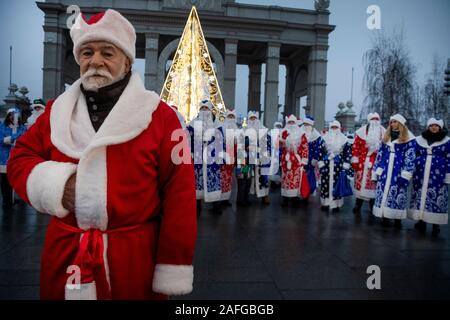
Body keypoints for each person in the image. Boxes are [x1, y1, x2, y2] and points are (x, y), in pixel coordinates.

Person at [7, 9, 197, 300]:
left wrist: (172, 264)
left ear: (127, 60)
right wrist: (57, 185)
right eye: (86, 52)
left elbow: (179, 195)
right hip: (66, 252)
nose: (95, 61)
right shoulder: (55, 112)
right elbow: (19, 159)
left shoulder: (161, 117)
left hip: (134, 258)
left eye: (107, 52)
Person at [372, 114, 415, 229]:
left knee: (397, 194)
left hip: (398, 171)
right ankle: (384, 216)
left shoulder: (409, 139)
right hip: (385, 170)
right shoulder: (386, 137)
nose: (392, 124)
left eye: (395, 122)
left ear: (400, 124)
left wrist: (406, 174)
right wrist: (376, 171)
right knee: (383, 193)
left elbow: (410, 158)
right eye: (391, 122)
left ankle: (397, 219)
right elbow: (379, 155)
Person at [408, 118, 449, 236]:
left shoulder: (447, 141)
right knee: (420, 195)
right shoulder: (419, 140)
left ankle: (435, 224)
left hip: (438, 174)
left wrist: (448, 174)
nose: (434, 128)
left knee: (436, 196)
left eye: (436, 126)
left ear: (440, 128)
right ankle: (421, 221)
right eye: (431, 126)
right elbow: (413, 154)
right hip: (420, 173)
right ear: (428, 127)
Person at [187, 99, 223, 213]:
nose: (204, 111)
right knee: (197, 181)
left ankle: (216, 205)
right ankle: (197, 206)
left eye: (206, 108)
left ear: (210, 109)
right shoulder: (193, 122)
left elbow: (221, 139)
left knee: (213, 180)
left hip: (212, 157)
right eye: (202, 108)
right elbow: (188, 137)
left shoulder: (216, 123)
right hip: (198, 156)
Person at [351, 113, 386, 215]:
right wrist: (355, 160)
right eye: (373, 119)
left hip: (375, 163)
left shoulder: (383, 132)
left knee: (373, 186)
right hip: (362, 163)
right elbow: (355, 146)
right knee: (360, 184)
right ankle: (358, 204)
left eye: (377, 119)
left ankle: (373, 206)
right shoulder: (361, 132)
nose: (375, 121)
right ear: (369, 120)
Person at [317, 120, 352, 212]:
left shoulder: (344, 139)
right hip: (326, 164)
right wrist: (321, 162)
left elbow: (347, 153)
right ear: (330, 128)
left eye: (336, 127)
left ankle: (336, 204)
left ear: (339, 128)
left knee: (337, 184)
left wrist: (346, 164)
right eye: (332, 127)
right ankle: (325, 203)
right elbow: (320, 151)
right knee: (325, 184)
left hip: (338, 165)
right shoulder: (324, 139)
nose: (334, 129)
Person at [240, 111, 271, 205]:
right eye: (251, 118)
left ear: (258, 120)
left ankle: (265, 196)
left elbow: (268, 144)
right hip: (247, 160)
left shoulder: (264, 130)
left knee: (263, 177)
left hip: (261, 159)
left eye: (254, 118)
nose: (253, 120)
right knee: (246, 177)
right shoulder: (244, 131)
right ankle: (245, 197)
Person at [279, 115, 309, 206]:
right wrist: (282, 141)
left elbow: (305, 147)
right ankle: (285, 198)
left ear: (296, 123)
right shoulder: (283, 132)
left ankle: (295, 198)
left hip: (296, 159)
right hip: (286, 159)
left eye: (293, 122)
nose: (291, 124)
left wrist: (304, 159)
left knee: (295, 179)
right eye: (289, 122)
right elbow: (279, 147)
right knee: (285, 179)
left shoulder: (301, 134)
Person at [0, 108, 26, 209]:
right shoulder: (2, 127)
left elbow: (24, 139)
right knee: (5, 181)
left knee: (16, 178)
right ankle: (7, 201)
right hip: (4, 157)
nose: (13, 117)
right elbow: (1, 140)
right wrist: (12, 138)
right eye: (11, 115)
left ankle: (14, 198)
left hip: (17, 156)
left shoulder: (22, 128)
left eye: (15, 115)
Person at [219, 109, 238, 206]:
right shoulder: (222, 128)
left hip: (232, 156)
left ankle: (226, 198)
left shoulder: (236, 129)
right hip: (223, 156)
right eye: (229, 117)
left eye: (232, 117)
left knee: (229, 178)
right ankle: (220, 198)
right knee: (222, 177)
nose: (231, 119)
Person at [302, 116, 323, 198]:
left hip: (311, 159)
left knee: (310, 176)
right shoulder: (300, 133)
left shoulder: (316, 136)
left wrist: (315, 158)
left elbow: (318, 148)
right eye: (304, 124)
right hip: (300, 159)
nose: (306, 126)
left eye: (307, 124)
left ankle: (309, 191)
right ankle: (302, 192)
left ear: (311, 125)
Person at [269, 121, 283, 189]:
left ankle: (280, 182)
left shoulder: (283, 134)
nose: (278, 128)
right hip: (274, 154)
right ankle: (273, 182)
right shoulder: (270, 133)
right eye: (277, 126)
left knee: (280, 169)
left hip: (281, 154)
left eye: (279, 126)